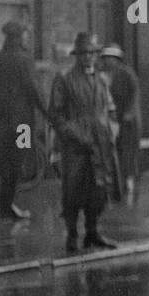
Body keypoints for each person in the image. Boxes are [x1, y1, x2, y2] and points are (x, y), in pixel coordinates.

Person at [50, 33, 121, 251]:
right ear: (77, 55)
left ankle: (93, 232)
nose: (88, 57)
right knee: (73, 190)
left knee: (98, 190)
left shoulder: (101, 79)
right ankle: (72, 235)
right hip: (76, 147)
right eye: (84, 53)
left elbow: (110, 109)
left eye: (92, 53)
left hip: (100, 145)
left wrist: (112, 130)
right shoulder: (64, 78)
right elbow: (56, 114)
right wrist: (74, 134)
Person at [0, 19, 48, 220]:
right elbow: (35, 90)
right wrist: (50, 115)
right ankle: (7, 207)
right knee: (18, 162)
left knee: (6, 164)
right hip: (22, 126)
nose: (26, 39)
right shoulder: (24, 60)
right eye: (25, 36)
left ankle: (6, 206)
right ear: (18, 38)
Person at [100, 44, 141, 204]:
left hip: (127, 119)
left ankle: (129, 179)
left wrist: (130, 113)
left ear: (117, 60)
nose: (107, 61)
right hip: (110, 118)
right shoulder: (102, 75)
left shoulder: (126, 74)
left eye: (111, 58)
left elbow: (134, 94)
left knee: (127, 150)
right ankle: (114, 181)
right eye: (105, 58)